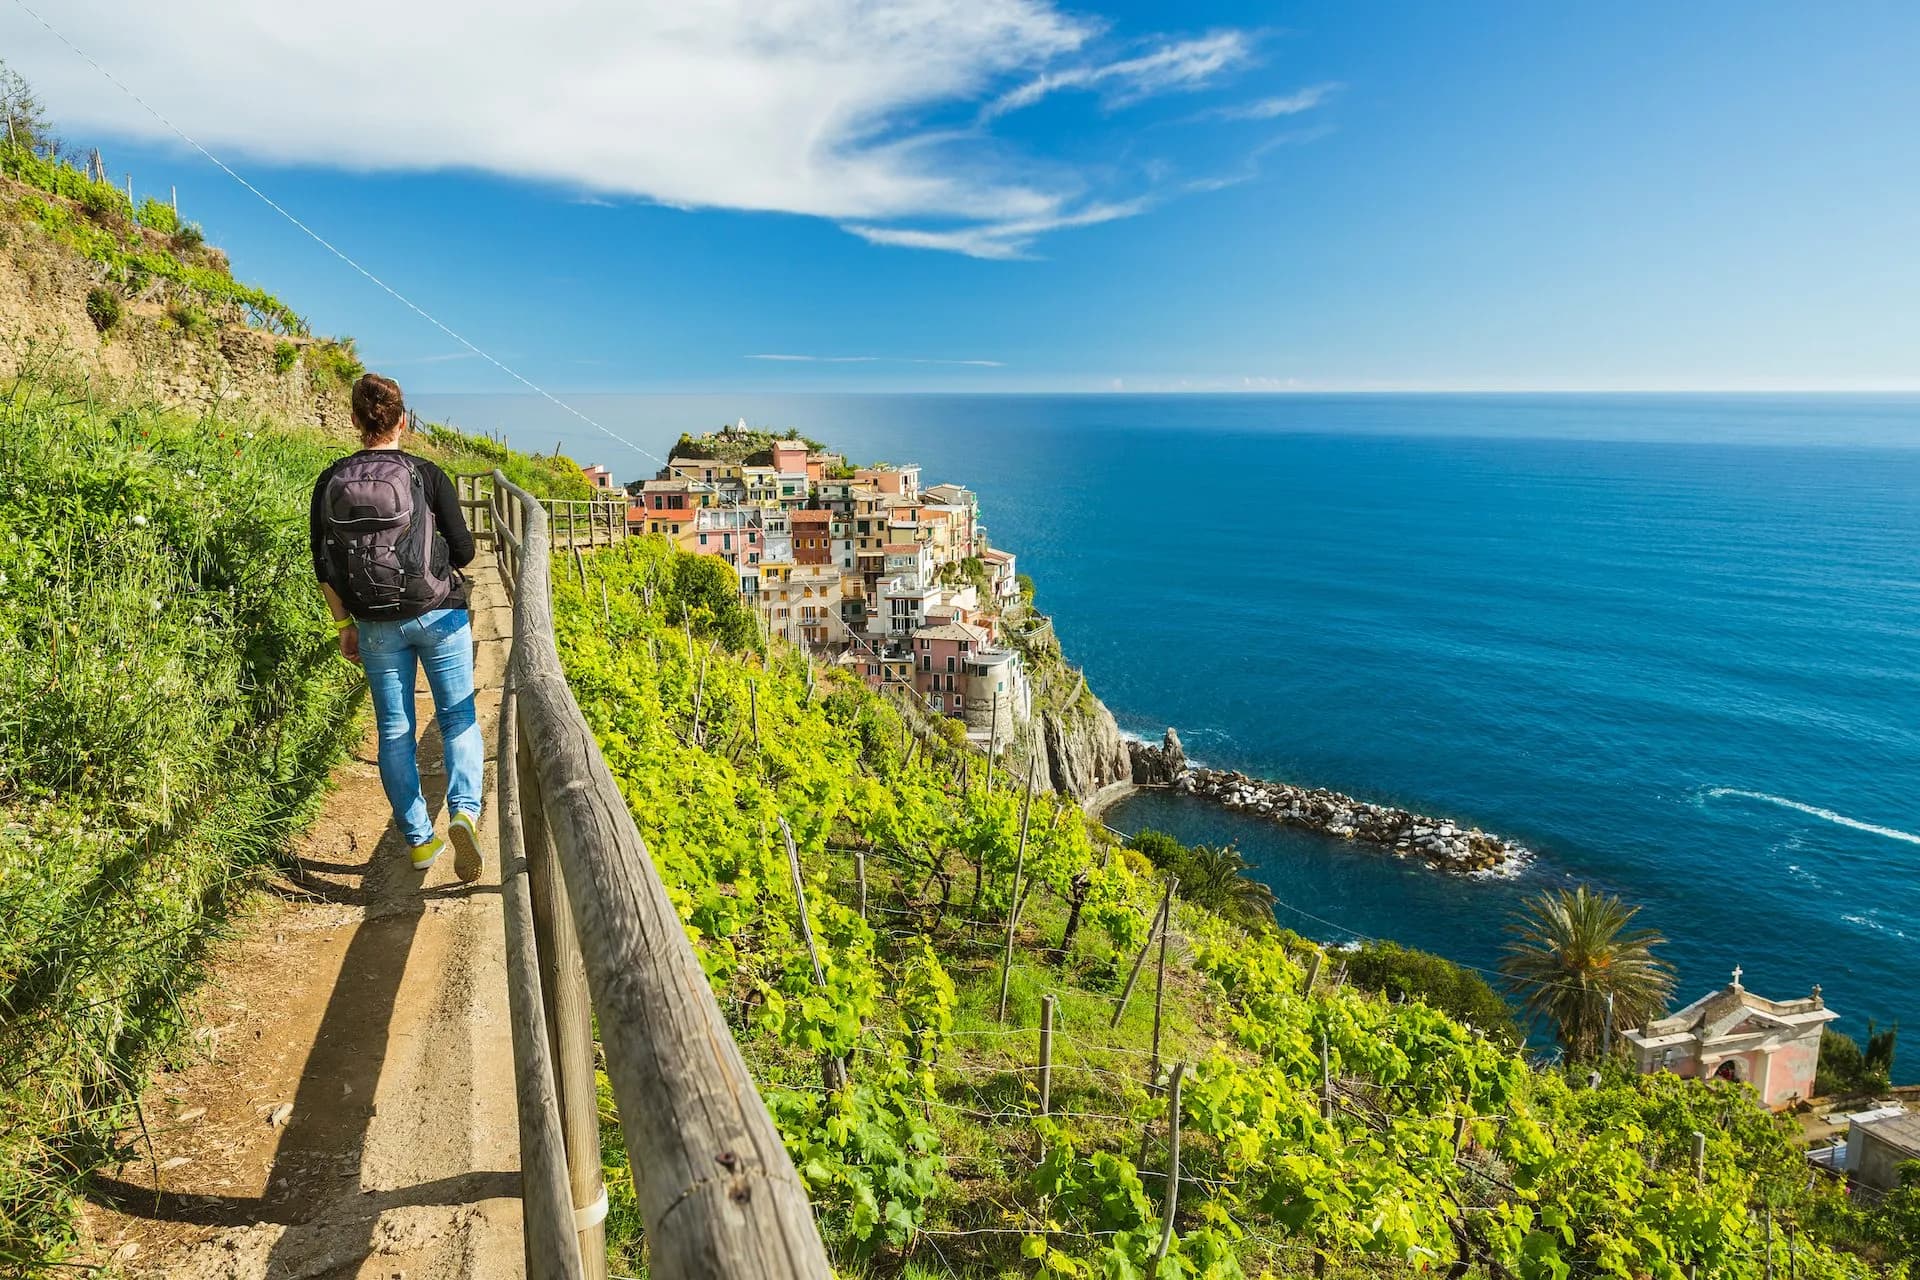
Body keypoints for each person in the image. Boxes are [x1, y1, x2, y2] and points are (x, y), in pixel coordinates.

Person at [311, 373, 484, 880]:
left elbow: (324, 563)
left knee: (394, 730)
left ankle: (418, 840)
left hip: (375, 623)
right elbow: (467, 552)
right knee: (458, 718)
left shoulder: (330, 480)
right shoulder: (426, 474)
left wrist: (344, 624)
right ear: (402, 420)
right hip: (439, 612)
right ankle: (464, 813)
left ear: (353, 421)